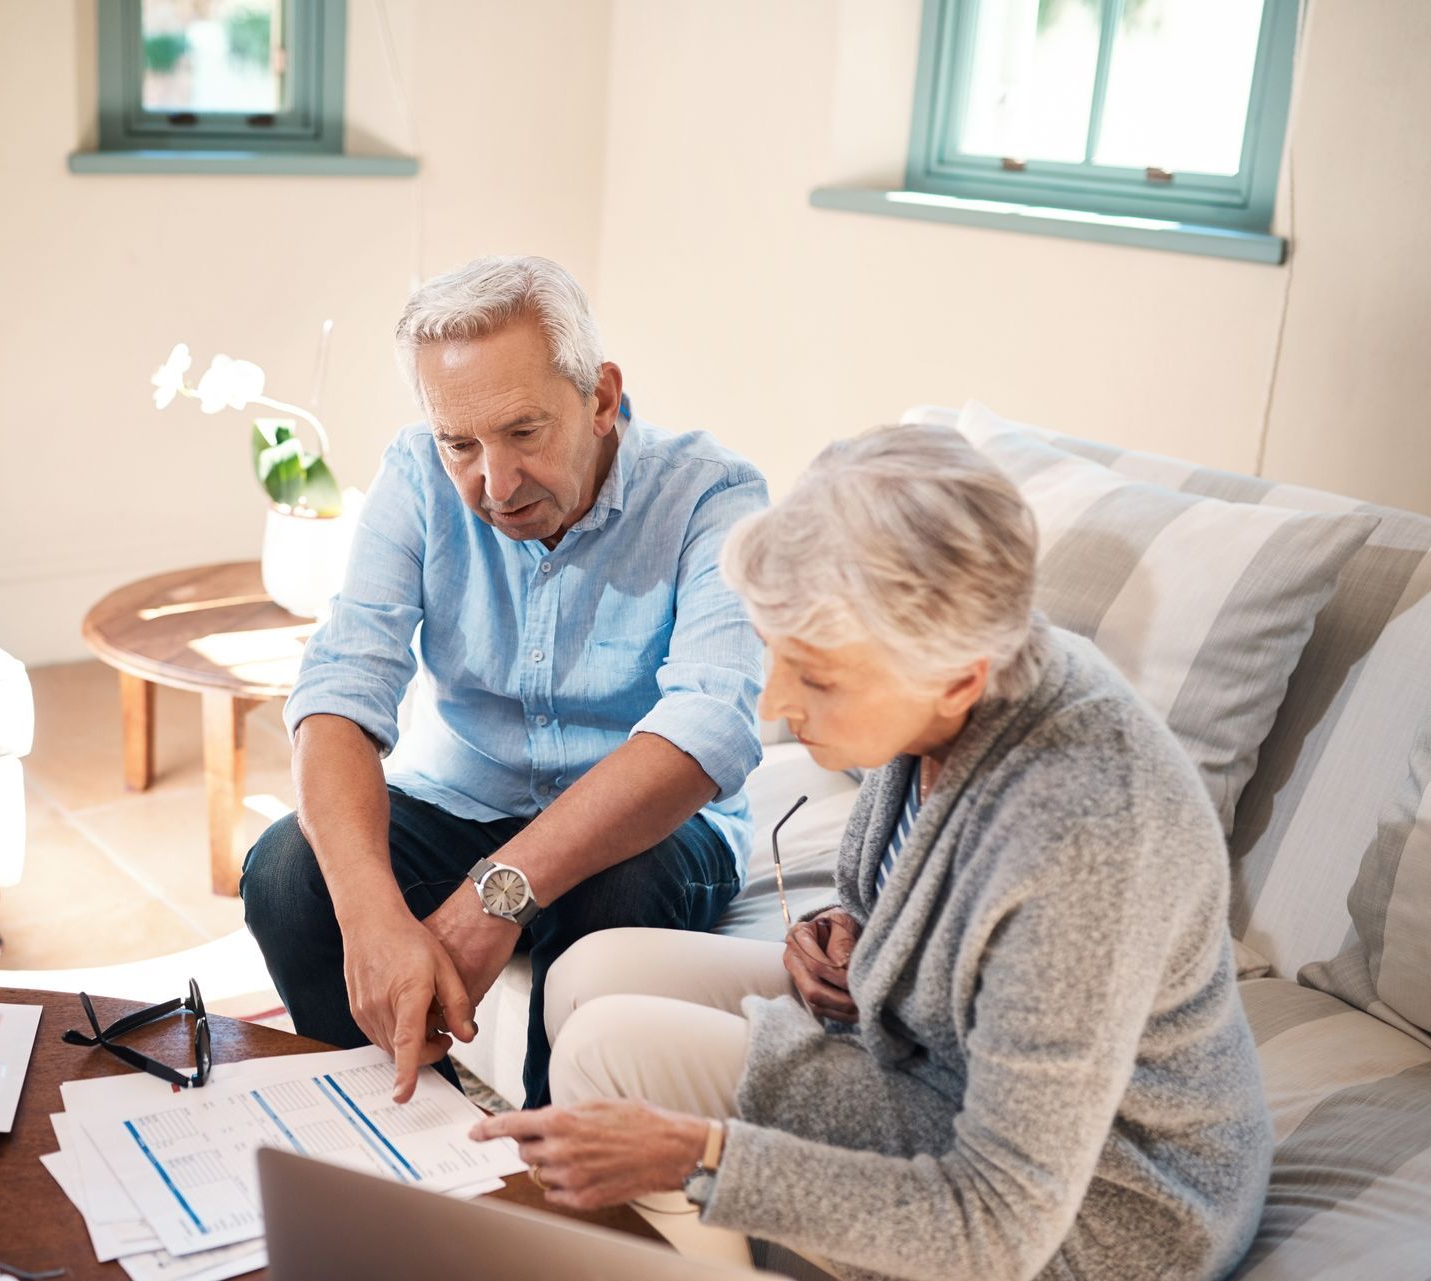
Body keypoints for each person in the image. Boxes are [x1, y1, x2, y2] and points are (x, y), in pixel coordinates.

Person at [472, 425, 1275, 1280]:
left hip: (1102, 1205)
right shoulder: (954, 681)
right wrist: (852, 927)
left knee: (611, 1047)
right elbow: (941, 890)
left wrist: (700, 1155)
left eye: (816, 678)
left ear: (958, 676)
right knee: (588, 973)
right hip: (934, 1053)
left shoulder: (1082, 837)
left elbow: (998, 1222)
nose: (777, 700)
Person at [240, 255, 767, 1108]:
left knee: (618, 888)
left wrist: (494, 898)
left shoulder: (714, 496)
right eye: (462, 444)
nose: (496, 482)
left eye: (525, 432)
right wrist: (375, 920)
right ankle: (395, 1132)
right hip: (456, 797)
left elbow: (709, 730)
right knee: (285, 870)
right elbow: (340, 688)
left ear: (600, 398)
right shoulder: (415, 475)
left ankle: (547, 1173)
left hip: (649, 832)